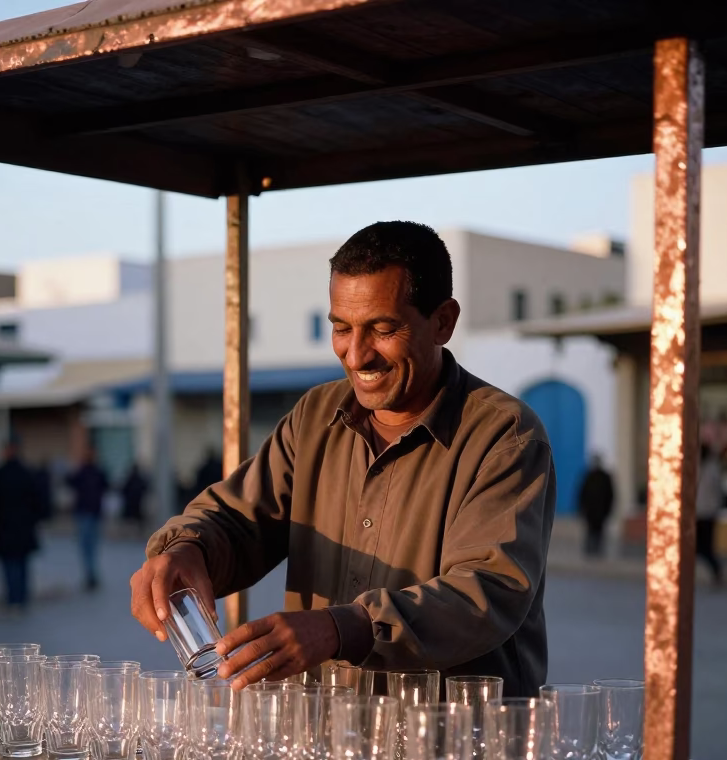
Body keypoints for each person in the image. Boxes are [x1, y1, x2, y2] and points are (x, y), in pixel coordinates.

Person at [130, 221, 556, 696]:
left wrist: (342, 628)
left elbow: (487, 591)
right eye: (341, 328)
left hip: (455, 751)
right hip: (326, 742)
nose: (356, 355)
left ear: (443, 321)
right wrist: (186, 549)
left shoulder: (505, 435)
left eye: (383, 329)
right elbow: (238, 519)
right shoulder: (316, 415)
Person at [0, 439, 42, 610]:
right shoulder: (27, 474)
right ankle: (20, 599)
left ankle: (14, 599)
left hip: (5, 529)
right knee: (20, 565)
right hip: (21, 529)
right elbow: (39, 502)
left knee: (10, 565)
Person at [66, 447, 110, 590]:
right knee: (88, 547)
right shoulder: (87, 471)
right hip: (87, 513)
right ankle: (90, 575)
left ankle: (91, 575)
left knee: (89, 547)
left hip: (90, 513)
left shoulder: (94, 471)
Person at [695, 443, 724, 584]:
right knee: (697, 546)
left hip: (707, 513)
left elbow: (717, 491)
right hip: (699, 512)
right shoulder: (699, 466)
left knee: (705, 547)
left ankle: (717, 571)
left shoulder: (712, 469)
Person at [577, 454, 614, 557]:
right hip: (590, 511)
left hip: (601, 511)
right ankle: (589, 550)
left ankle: (598, 550)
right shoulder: (588, 476)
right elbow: (582, 493)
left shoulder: (605, 477)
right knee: (590, 530)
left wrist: (608, 509)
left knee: (599, 531)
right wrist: (582, 508)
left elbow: (610, 495)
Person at [121, 463, 149, 532]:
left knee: (130, 518)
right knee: (137, 518)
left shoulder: (130, 479)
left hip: (131, 502)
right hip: (136, 502)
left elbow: (124, 490)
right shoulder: (139, 479)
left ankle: (128, 531)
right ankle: (138, 531)